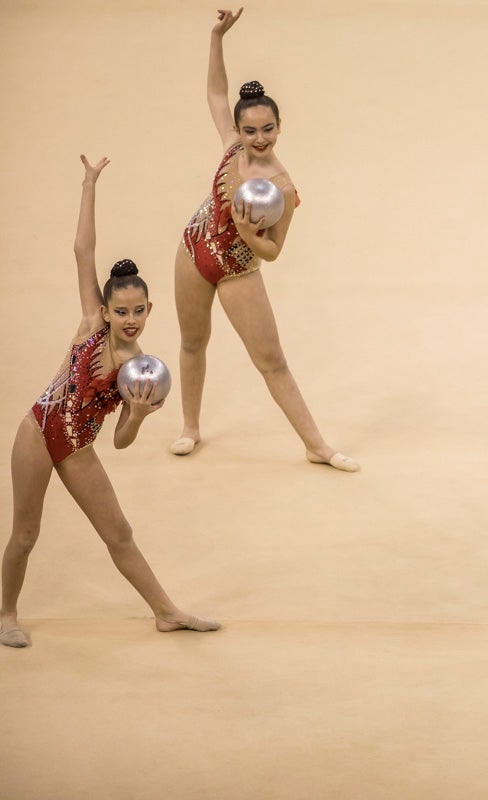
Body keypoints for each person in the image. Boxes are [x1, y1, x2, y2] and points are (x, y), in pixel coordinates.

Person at [1, 156, 220, 648]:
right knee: (26, 534)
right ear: (105, 310)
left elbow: (119, 442)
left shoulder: (140, 371)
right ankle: (6, 613)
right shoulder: (91, 325)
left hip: (78, 450)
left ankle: (167, 612)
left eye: (138, 311)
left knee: (119, 532)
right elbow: (83, 250)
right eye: (121, 310)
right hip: (39, 432)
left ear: (149, 310)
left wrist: (137, 416)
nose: (130, 319)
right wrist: (89, 184)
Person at [171, 7, 357, 471]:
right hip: (194, 249)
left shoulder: (284, 186)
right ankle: (190, 427)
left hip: (238, 266)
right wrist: (217, 38)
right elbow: (216, 91)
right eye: (250, 130)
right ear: (238, 130)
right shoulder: (230, 147)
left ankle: (317, 445)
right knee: (193, 342)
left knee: (271, 360)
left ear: (280, 126)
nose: (258, 139)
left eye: (267, 129)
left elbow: (273, 252)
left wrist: (248, 234)